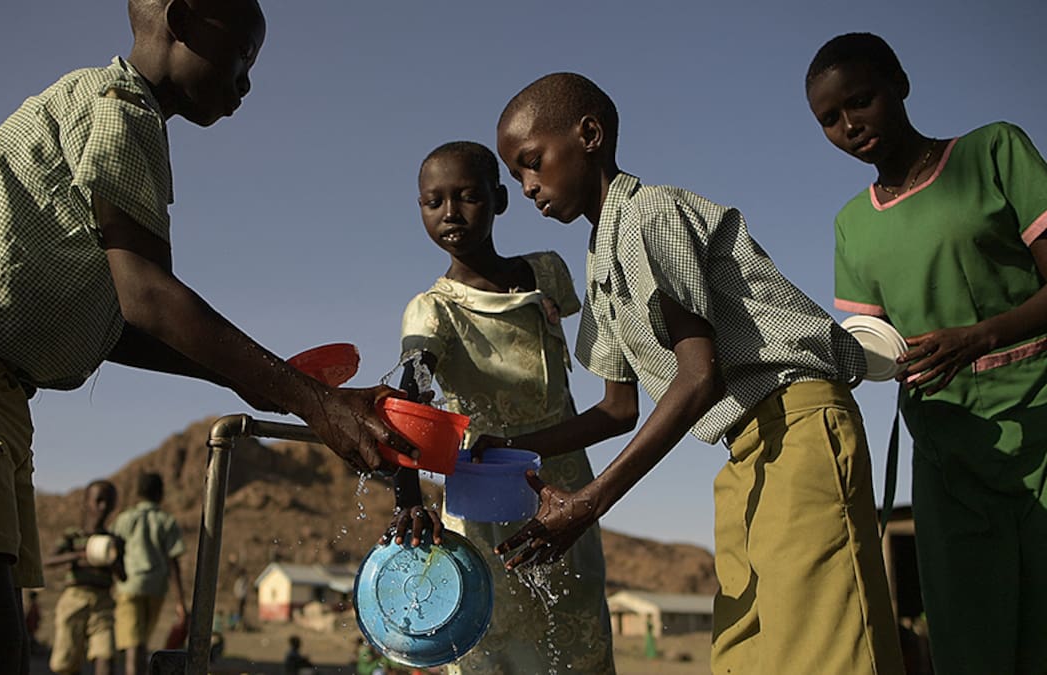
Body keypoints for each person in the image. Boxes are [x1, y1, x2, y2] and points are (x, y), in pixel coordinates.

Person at [0, 1, 414, 673]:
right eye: (242, 57)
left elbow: (119, 322)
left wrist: (270, 376)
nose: (246, 84)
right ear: (184, 19)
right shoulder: (119, 107)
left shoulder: (113, 114)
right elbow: (148, 298)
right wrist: (309, 401)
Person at [487, 72, 905, 674]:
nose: (528, 187)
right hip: (744, 450)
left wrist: (591, 500)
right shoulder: (602, 258)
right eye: (518, 175)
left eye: (533, 162)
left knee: (826, 648)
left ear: (590, 135)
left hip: (799, 426)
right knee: (744, 651)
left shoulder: (650, 217)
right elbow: (616, 410)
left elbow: (698, 378)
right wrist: (507, 449)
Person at [805, 32, 1047, 674]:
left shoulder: (996, 150)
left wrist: (979, 337)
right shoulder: (852, 225)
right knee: (971, 639)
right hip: (948, 451)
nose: (849, 125)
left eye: (860, 100)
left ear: (899, 84)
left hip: (1040, 423)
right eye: (829, 119)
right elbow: (871, 351)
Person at [387, 141, 615, 673]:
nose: (450, 214)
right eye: (433, 201)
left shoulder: (547, 274)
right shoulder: (434, 311)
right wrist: (407, 500)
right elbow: (410, 398)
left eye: (467, 196)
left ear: (499, 200)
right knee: (497, 644)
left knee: (576, 637)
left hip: (564, 487)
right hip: (484, 498)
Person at [43, 480, 124, 675]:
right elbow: (48, 560)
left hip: (103, 601)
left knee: (105, 653)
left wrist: (112, 562)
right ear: (86, 502)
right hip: (74, 598)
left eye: (108, 502)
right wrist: (78, 556)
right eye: (98, 500)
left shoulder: (114, 541)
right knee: (66, 660)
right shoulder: (73, 535)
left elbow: (124, 576)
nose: (103, 507)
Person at [111, 472, 186, 675]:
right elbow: (173, 562)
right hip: (156, 588)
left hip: (129, 587)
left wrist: (119, 577)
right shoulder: (166, 521)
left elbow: (113, 552)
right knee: (142, 641)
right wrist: (180, 601)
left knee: (133, 644)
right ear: (160, 494)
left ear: (138, 493)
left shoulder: (125, 519)